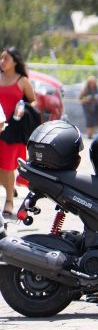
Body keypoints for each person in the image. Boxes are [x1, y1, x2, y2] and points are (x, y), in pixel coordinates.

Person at [0, 47, 37, 217]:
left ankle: (9, 200)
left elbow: (34, 102)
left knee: (7, 166)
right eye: (1, 58)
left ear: (15, 61)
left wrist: (23, 108)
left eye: (6, 58)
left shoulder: (22, 81)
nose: (2, 61)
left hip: (13, 130)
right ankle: (10, 187)